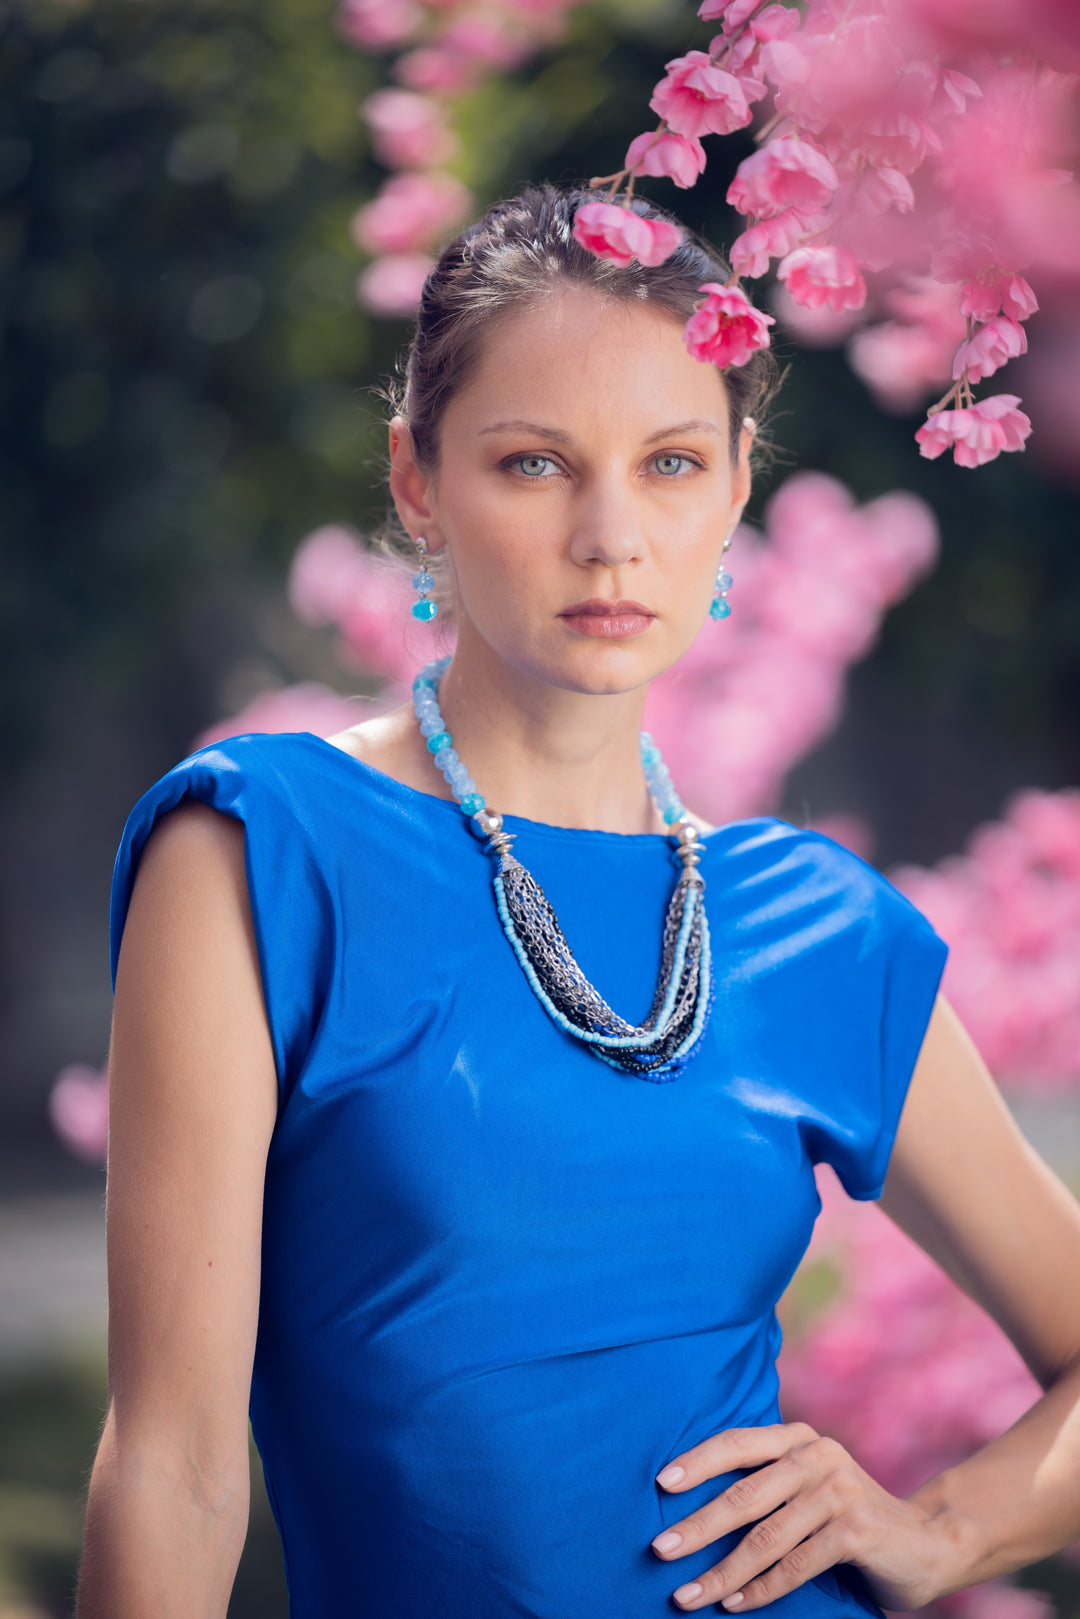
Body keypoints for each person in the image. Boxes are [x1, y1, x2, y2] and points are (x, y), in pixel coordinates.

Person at [76, 183, 1080, 1619]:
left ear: (738, 485)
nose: (611, 535)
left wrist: (946, 1529)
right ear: (417, 480)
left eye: (671, 465)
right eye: (536, 464)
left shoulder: (820, 930)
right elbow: (173, 1466)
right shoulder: (264, 848)